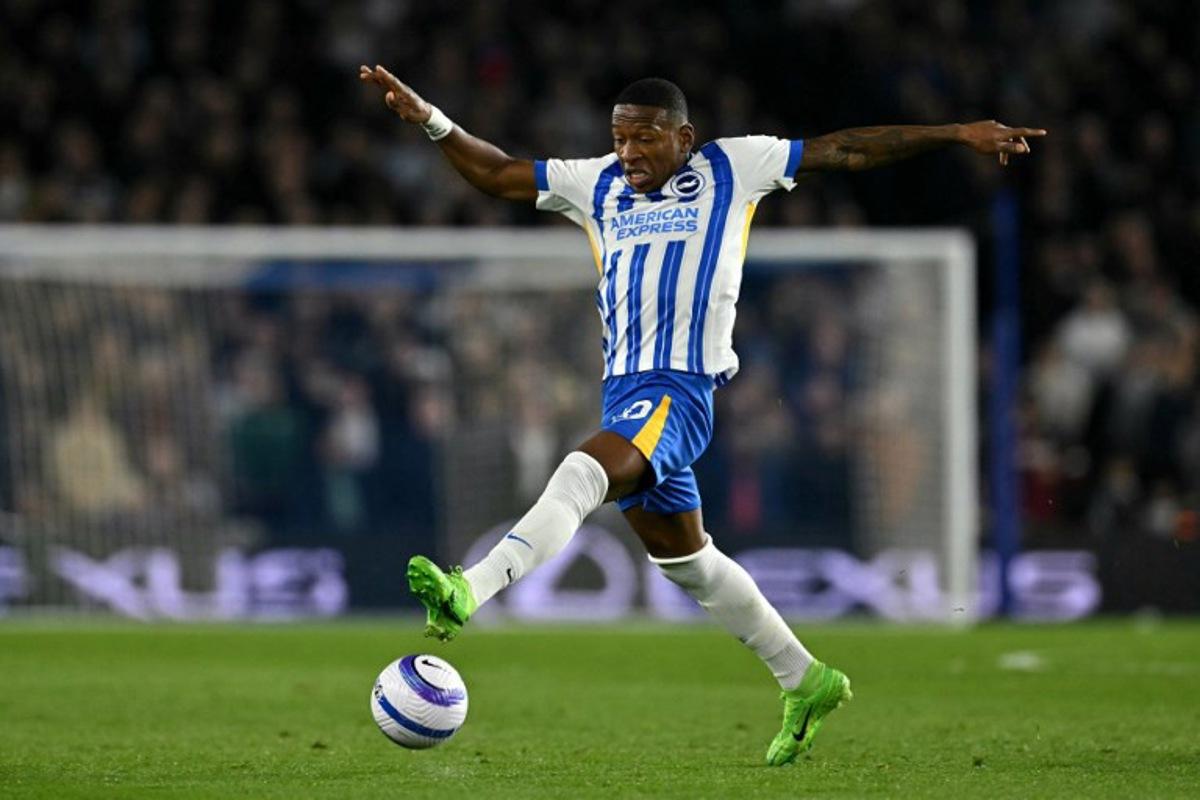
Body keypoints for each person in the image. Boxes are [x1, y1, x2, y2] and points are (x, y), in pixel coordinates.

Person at [359, 64, 1045, 766]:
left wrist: (955, 133)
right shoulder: (595, 183)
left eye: (645, 138)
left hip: (679, 390)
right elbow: (498, 172)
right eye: (620, 139)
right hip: (624, 391)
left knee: (581, 474)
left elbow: (845, 148)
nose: (629, 153)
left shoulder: (732, 167)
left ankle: (469, 589)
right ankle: (806, 679)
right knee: (689, 563)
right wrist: (432, 120)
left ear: (683, 138)